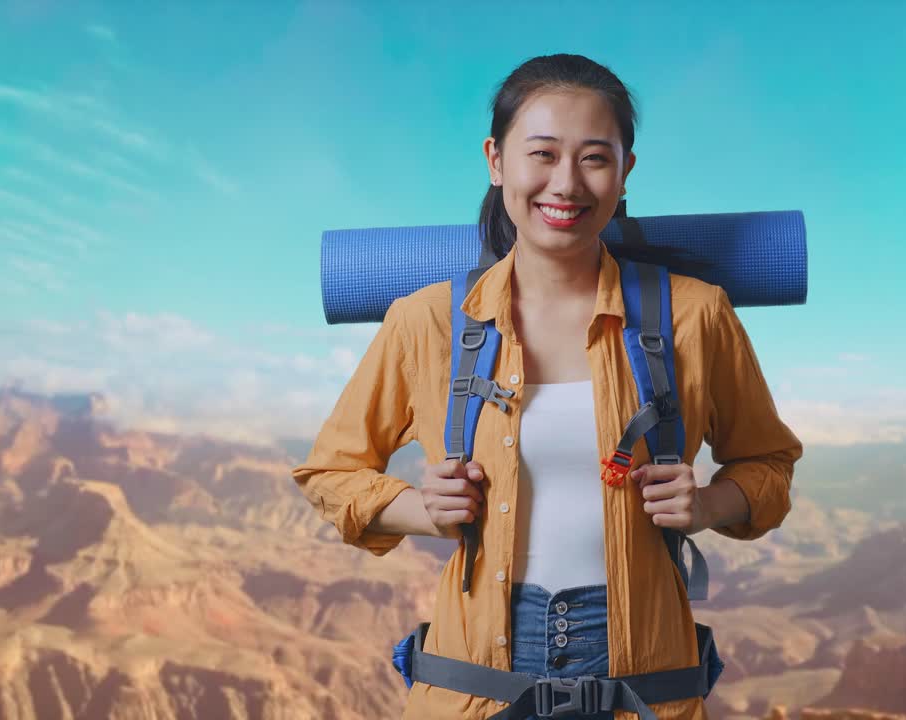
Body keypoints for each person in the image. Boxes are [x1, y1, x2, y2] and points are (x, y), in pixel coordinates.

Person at [292, 53, 803, 720]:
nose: (566, 184)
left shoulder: (696, 316)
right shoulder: (426, 324)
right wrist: (422, 509)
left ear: (625, 173)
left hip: (643, 693)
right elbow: (331, 473)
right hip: (473, 690)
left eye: (595, 158)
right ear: (497, 160)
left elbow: (770, 466)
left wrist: (709, 505)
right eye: (542, 154)